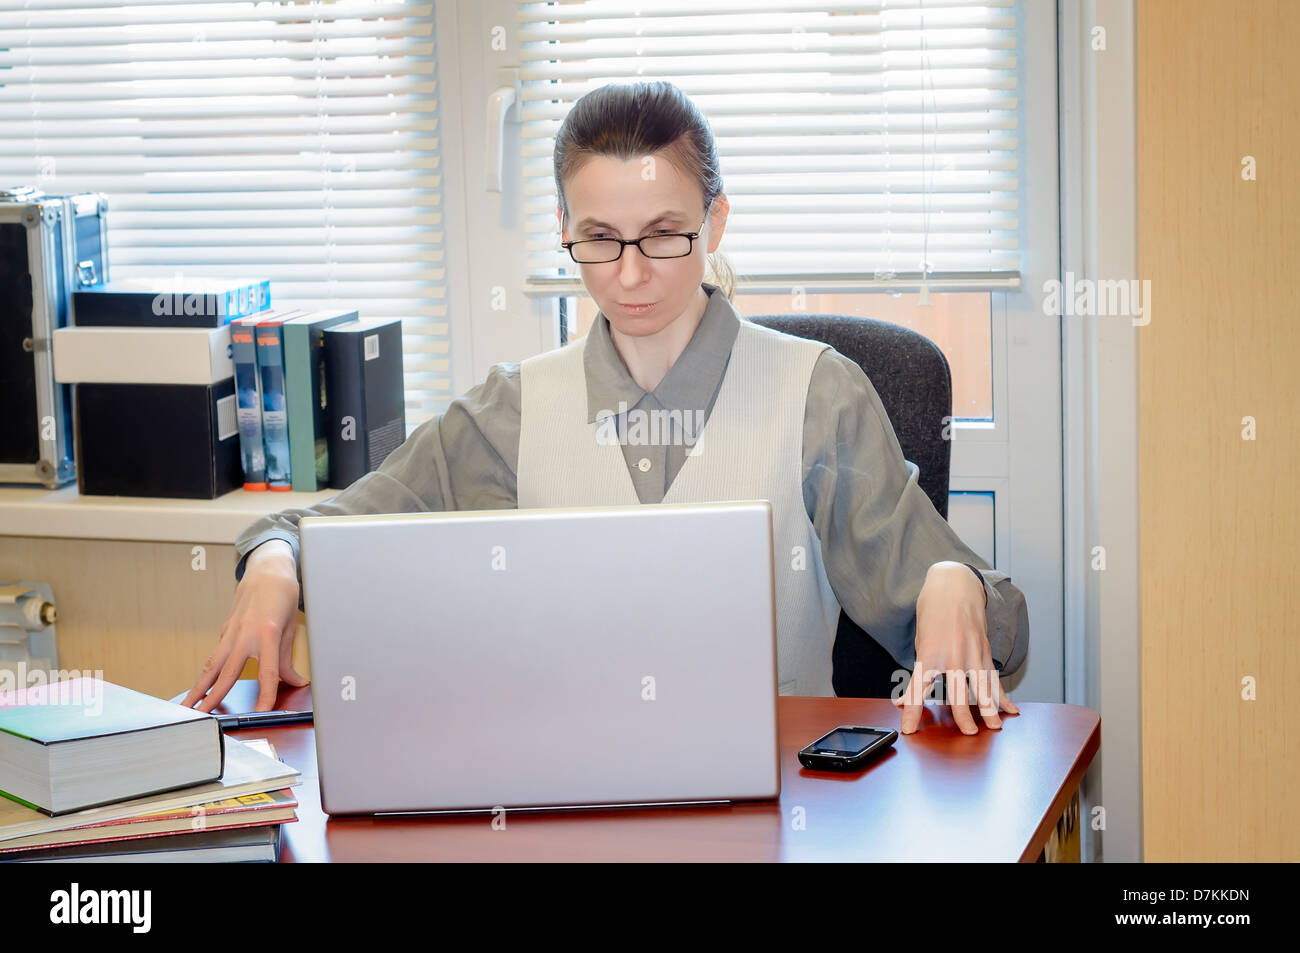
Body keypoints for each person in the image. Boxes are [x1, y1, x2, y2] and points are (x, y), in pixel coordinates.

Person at [183, 80, 1026, 735]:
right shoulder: (509, 412)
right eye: (599, 238)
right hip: (559, 798)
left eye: (664, 234)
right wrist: (274, 564)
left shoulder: (819, 394)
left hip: (777, 804)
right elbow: (315, 528)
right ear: (563, 228)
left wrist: (953, 582)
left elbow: (1002, 629)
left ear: (716, 221)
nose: (630, 274)